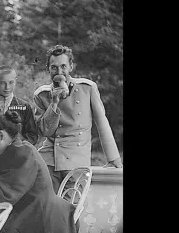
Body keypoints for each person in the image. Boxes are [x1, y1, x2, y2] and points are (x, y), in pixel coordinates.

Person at [33, 45, 122, 193]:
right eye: (54, 67)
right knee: (46, 208)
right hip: (48, 160)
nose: (59, 72)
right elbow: (45, 131)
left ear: (71, 66)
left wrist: (113, 158)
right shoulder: (42, 95)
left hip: (76, 161)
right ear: (48, 68)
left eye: (63, 66)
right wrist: (54, 102)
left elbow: (102, 122)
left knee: (71, 209)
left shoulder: (87, 88)